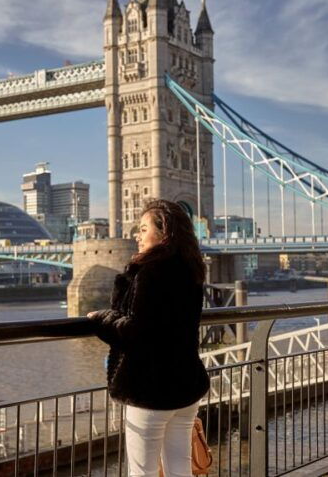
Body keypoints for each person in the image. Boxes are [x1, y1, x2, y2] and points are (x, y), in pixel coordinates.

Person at [88, 199, 210, 477]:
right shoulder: (191, 268)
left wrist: (101, 320)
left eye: (143, 229)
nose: (137, 236)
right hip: (186, 386)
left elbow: (136, 332)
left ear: (164, 232)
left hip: (150, 390)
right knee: (180, 467)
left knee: (141, 472)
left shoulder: (151, 271)